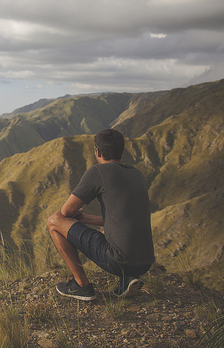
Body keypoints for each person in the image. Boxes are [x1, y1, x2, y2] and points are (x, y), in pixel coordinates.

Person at [46, 129, 155, 301]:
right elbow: (122, 217)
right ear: (121, 150)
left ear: (97, 151)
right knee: (108, 228)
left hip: (119, 261)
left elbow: (66, 212)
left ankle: (81, 286)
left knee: (54, 221)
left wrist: (75, 217)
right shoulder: (137, 174)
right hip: (145, 261)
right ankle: (127, 280)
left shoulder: (99, 171)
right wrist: (86, 220)